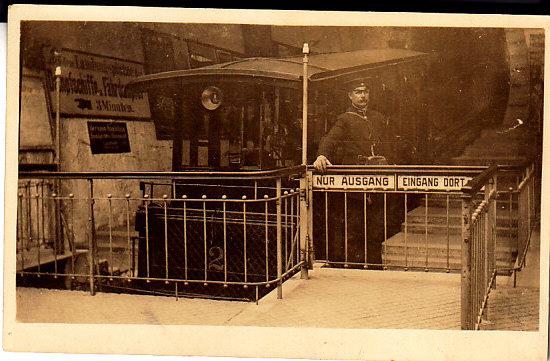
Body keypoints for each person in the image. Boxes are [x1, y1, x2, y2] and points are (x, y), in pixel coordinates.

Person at [313, 78, 390, 268]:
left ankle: (374, 267)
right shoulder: (345, 119)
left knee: (376, 227)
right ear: (350, 96)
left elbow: (390, 144)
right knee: (354, 226)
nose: (363, 95)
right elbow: (329, 140)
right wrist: (322, 156)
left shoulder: (378, 117)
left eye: (365, 91)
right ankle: (353, 268)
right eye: (358, 92)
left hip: (377, 179)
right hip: (355, 180)